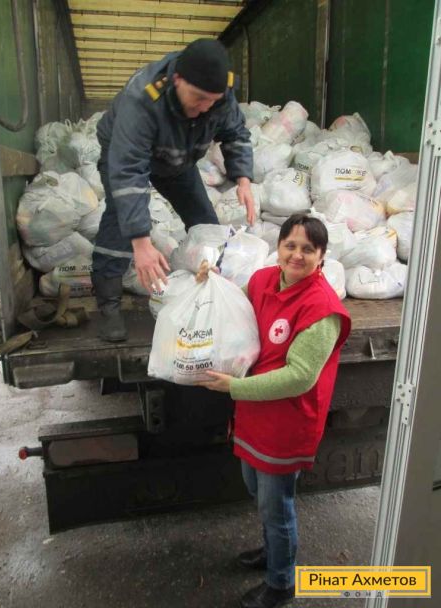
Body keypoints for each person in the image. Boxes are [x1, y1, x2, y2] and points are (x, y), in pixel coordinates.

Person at [198, 213, 351, 608]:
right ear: (278, 247)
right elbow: (234, 305)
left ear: (322, 255)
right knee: (256, 489)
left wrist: (234, 387)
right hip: (255, 412)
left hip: (287, 420)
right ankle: (272, 551)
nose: (297, 255)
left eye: (308, 249)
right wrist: (209, 281)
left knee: (276, 506)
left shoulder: (322, 308)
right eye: (290, 245)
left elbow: (299, 377)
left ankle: (281, 583)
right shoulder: (264, 280)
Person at [91, 38, 255, 342]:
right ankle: (109, 306)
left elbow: (235, 133)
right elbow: (129, 171)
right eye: (198, 98)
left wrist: (243, 179)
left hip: (177, 158)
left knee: (206, 225)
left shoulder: (220, 94)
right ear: (177, 79)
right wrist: (141, 243)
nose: (204, 107)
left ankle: (209, 299)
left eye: (212, 101)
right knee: (120, 221)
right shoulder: (142, 99)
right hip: (123, 154)